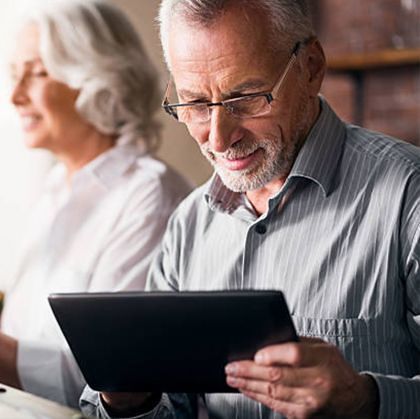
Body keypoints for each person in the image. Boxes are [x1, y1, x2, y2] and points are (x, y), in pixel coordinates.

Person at [80, 0, 420, 417]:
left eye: (246, 98)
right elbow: (175, 406)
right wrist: (130, 401)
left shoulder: (408, 197)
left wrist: (366, 400)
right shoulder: (188, 225)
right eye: (196, 104)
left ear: (311, 67)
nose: (219, 139)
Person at [0, 0, 190, 409]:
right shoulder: (54, 187)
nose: (15, 96)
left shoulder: (148, 198)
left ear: (98, 79)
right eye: (15, 75)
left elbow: (111, 380)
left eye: (37, 73)